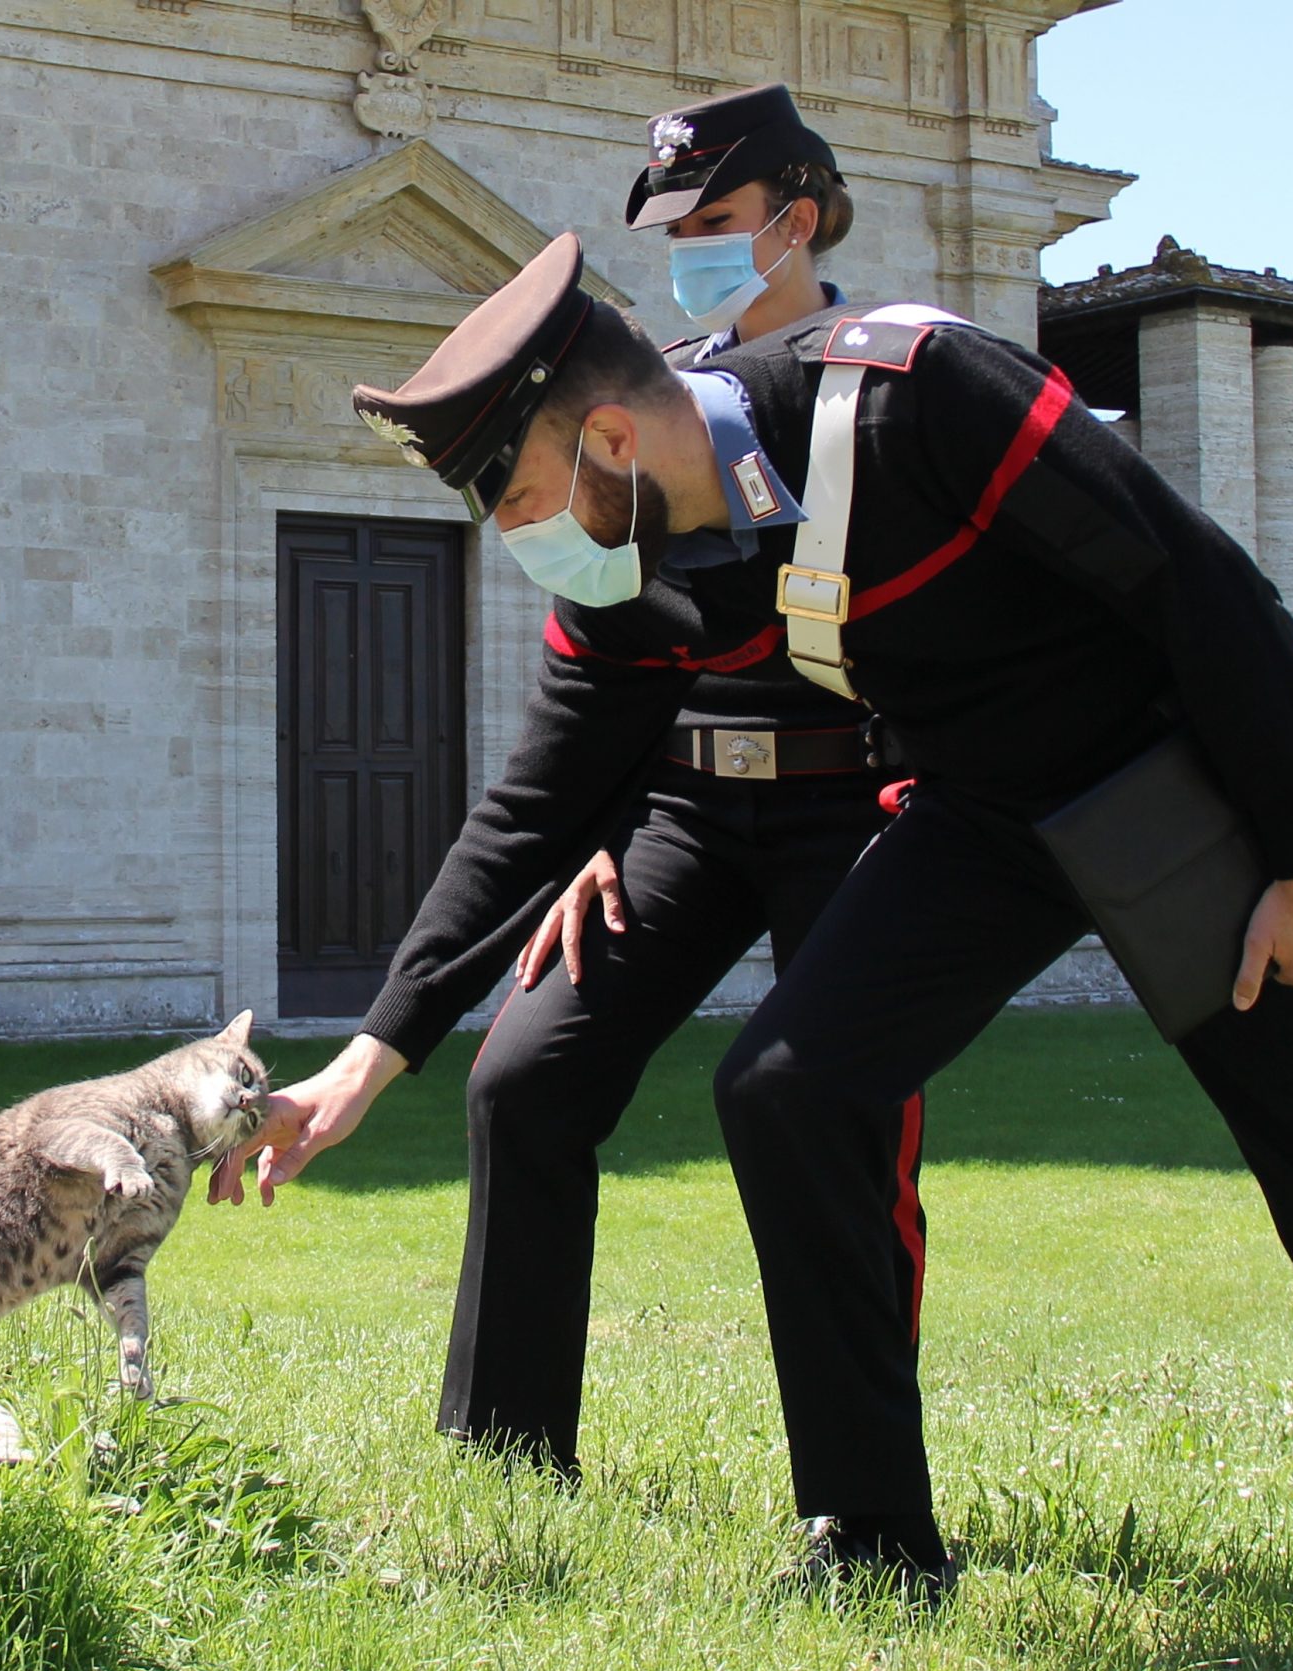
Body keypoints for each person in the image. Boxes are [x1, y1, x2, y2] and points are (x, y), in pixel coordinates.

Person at [259, 231, 1293, 1671]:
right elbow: (536, 801)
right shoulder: (643, 565)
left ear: (610, 437)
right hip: (982, 817)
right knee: (786, 1090)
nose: (527, 539)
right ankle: (873, 1542)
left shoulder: (922, 390)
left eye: (526, 500)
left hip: (1189, 787)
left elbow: (1202, 587)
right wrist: (373, 1053)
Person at [430, 85, 925, 1482]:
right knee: (525, 1079)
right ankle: (507, 1456)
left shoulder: (879, 388)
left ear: (799, 219)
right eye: (676, 232)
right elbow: (613, 649)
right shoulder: (651, 399)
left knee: (835, 1123)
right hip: (683, 809)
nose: (691, 254)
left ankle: (862, 1492)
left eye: (716, 223)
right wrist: (594, 829)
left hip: (850, 802)